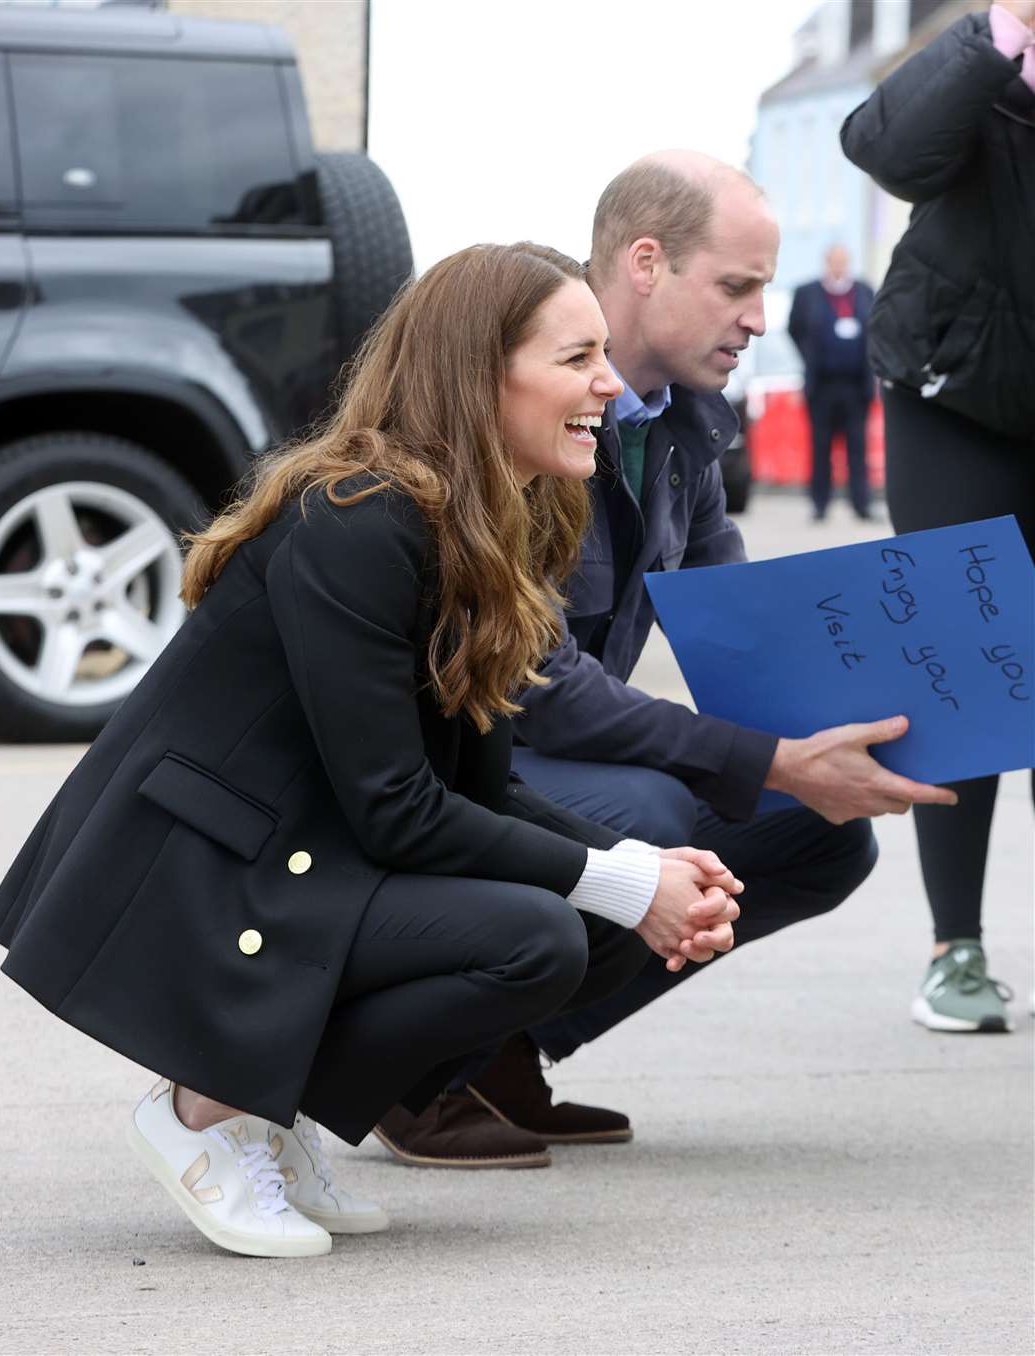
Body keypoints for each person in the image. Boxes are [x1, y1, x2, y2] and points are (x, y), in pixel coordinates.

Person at [0, 242, 746, 1257]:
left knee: (591, 920)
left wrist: (638, 877)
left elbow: (480, 785)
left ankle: (267, 1110)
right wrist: (618, 879)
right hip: (212, 873)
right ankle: (206, 1110)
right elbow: (397, 808)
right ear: (479, 376)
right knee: (546, 933)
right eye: (576, 358)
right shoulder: (358, 518)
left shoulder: (489, 519)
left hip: (316, 852)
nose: (607, 383)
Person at [374, 152, 962, 1171]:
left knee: (825, 837)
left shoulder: (686, 425)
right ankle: (417, 1071)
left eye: (765, 289)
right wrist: (766, 758)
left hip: (546, 763)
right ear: (645, 263)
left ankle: (510, 1048)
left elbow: (748, 628)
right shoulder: (521, 402)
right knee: (647, 818)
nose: (759, 319)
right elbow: (540, 685)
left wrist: (880, 718)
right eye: (737, 286)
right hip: (451, 766)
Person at [842, 2, 1035, 1032]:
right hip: (953, 397)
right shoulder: (983, 73)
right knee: (963, 668)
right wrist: (997, 31)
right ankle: (954, 949)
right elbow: (885, 148)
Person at [788, 245, 876, 521]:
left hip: (855, 386)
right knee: (820, 446)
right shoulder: (808, 293)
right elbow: (795, 328)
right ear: (826, 262)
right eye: (834, 261)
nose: (839, 266)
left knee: (857, 448)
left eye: (843, 261)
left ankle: (861, 504)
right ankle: (819, 503)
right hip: (822, 386)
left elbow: (875, 327)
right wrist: (810, 356)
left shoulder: (863, 291)